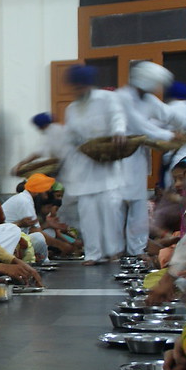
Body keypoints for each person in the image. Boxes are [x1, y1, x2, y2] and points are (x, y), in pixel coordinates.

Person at [115, 61, 183, 257]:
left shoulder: (150, 100)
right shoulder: (122, 98)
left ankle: (136, 251)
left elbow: (169, 115)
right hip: (117, 160)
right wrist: (169, 136)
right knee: (116, 207)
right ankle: (114, 250)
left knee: (137, 208)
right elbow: (139, 127)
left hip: (136, 161)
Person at [62, 64, 127, 265]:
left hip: (105, 166)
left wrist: (118, 131)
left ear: (89, 85)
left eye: (81, 86)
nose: (78, 91)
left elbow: (118, 117)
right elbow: (70, 136)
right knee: (87, 213)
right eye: (76, 87)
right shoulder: (71, 109)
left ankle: (113, 251)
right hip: (84, 168)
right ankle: (93, 254)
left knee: (109, 210)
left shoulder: (108, 99)